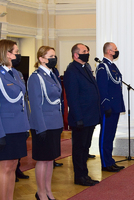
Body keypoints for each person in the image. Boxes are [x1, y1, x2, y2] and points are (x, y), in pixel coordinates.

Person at [27, 46, 63, 200]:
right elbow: (35, 105)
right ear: (41, 58)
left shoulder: (52, 75)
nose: (54, 59)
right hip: (43, 125)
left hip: (54, 123)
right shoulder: (36, 77)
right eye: (50, 56)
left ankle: (48, 190)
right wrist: (40, 127)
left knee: (50, 160)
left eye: (54, 55)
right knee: (42, 160)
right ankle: (40, 192)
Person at [64, 43, 101, 186]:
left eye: (88, 51)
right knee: (79, 149)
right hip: (81, 117)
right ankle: (79, 176)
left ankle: (84, 174)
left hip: (90, 116)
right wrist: (78, 118)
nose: (88, 53)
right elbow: (72, 97)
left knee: (86, 147)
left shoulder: (86, 67)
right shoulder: (72, 71)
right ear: (76, 55)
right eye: (84, 51)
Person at [0, 39, 30, 200]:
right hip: (5, 128)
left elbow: (22, 102)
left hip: (18, 127)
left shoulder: (17, 74)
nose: (19, 55)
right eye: (16, 52)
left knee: (12, 166)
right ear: (6, 53)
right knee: (4, 167)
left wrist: (26, 126)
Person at [96, 42, 125, 172]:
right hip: (108, 107)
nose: (116, 51)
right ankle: (105, 163)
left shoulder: (112, 66)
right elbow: (102, 89)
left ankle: (110, 160)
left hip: (115, 106)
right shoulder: (103, 67)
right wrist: (106, 105)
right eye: (115, 49)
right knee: (105, 136)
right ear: (109, 51)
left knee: (111, 135)